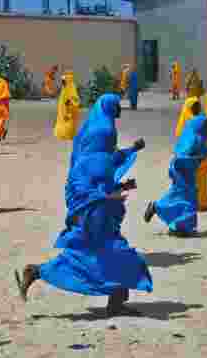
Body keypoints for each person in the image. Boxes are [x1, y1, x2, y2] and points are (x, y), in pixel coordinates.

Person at [15, 94, 151, 317]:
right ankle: (38, 272)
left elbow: (107, 169)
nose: (119, 111)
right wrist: (110, 194)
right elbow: (90, 188)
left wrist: (121, 182)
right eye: (116, 107)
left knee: (105, 254)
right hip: (93, 216)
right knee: (106, 254)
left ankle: (114, 301)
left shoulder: (96, 153)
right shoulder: (95, 155)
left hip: (100, 214)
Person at [145, 102, 207, 236]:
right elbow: (185, 155)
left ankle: (173, 220)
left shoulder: (194, 137)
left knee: (178, 195)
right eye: (206, 127)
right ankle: (180, 225)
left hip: (185, 172)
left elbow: (204, 151)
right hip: (183, 172)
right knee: (188, 200)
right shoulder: (194, 139)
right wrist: (194, 159)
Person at [175, 96, 207, 211]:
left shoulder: (187, 122)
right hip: (197, 158)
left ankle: (195, 203)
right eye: (196, 106)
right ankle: (201, 204)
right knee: (200, 182)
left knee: (195, 182)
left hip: (192, 158)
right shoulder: (199, 121)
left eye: (198, 105)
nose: (198, 107)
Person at [54, 71, 81, 141]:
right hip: (63, 110)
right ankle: (62, 134)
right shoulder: (65, 88)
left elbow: (75, 100)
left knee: (68, 124)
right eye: (62, 81)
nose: (62, 82)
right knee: (63, 122)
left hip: (69, 111)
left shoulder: (72, 88)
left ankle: (67, 135)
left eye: (64, 81)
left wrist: (70, 103)